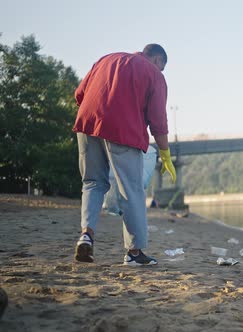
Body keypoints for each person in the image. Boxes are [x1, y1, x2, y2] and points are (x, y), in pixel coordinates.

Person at [72, 44, 176, 266]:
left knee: (92, 182)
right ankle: (134, 253)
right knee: (130, 189)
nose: (161, 72)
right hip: (123, 131)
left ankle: (86, 235)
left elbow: (79, 94)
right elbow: (158, 120)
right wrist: (165, 154)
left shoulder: (107, 58)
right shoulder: (154, 74)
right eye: (162, 68)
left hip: (87, 123)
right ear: (158, 60)